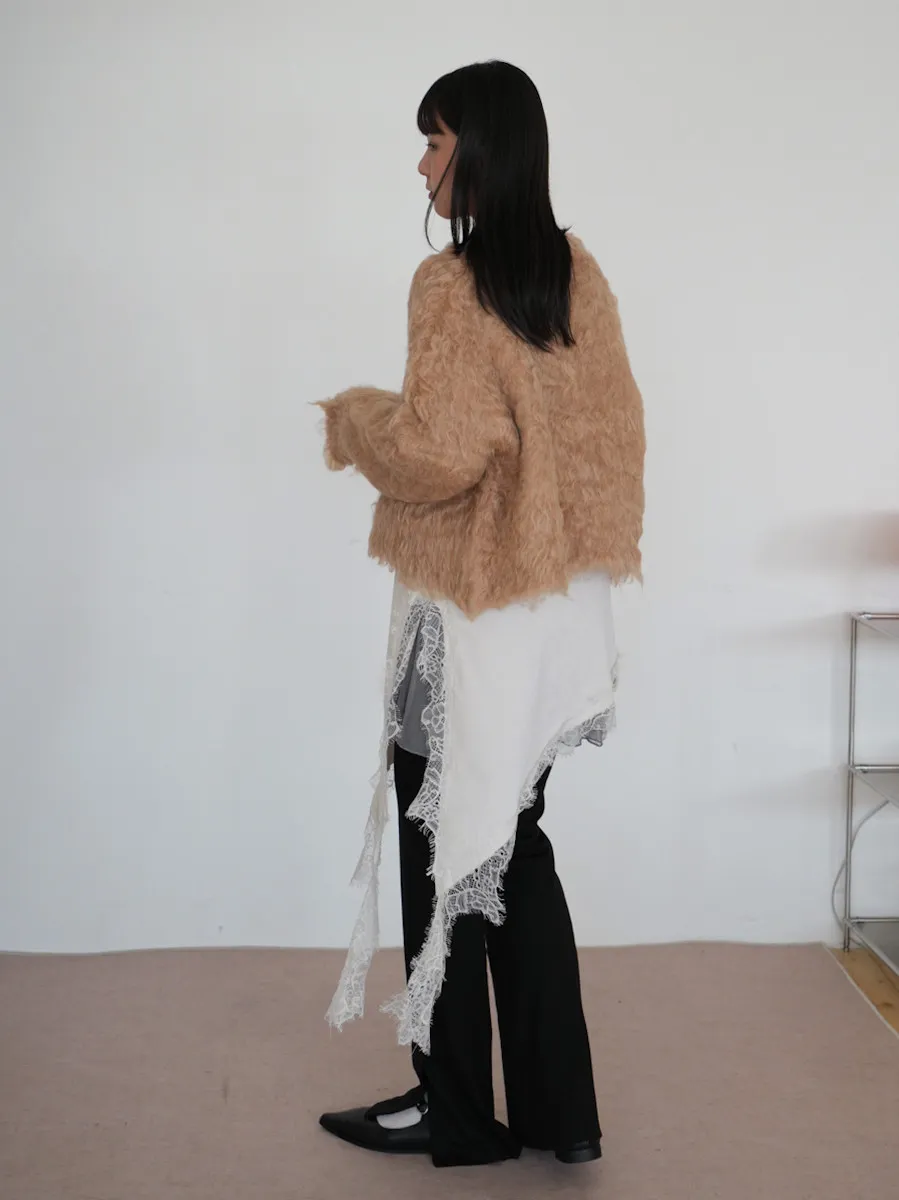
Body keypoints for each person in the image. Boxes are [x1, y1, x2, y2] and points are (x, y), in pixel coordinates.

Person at [315, 60, 645, 1169]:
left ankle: (451, 1106)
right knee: (515, 846)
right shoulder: (575, 275)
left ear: (481, 151)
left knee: (439, 849)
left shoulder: (448, 285)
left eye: (433, 141)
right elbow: (614, 443)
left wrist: (355, 419)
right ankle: (561, 1116)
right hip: (552, 615)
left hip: (466, 612)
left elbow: (437, 456)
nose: (420, 166)